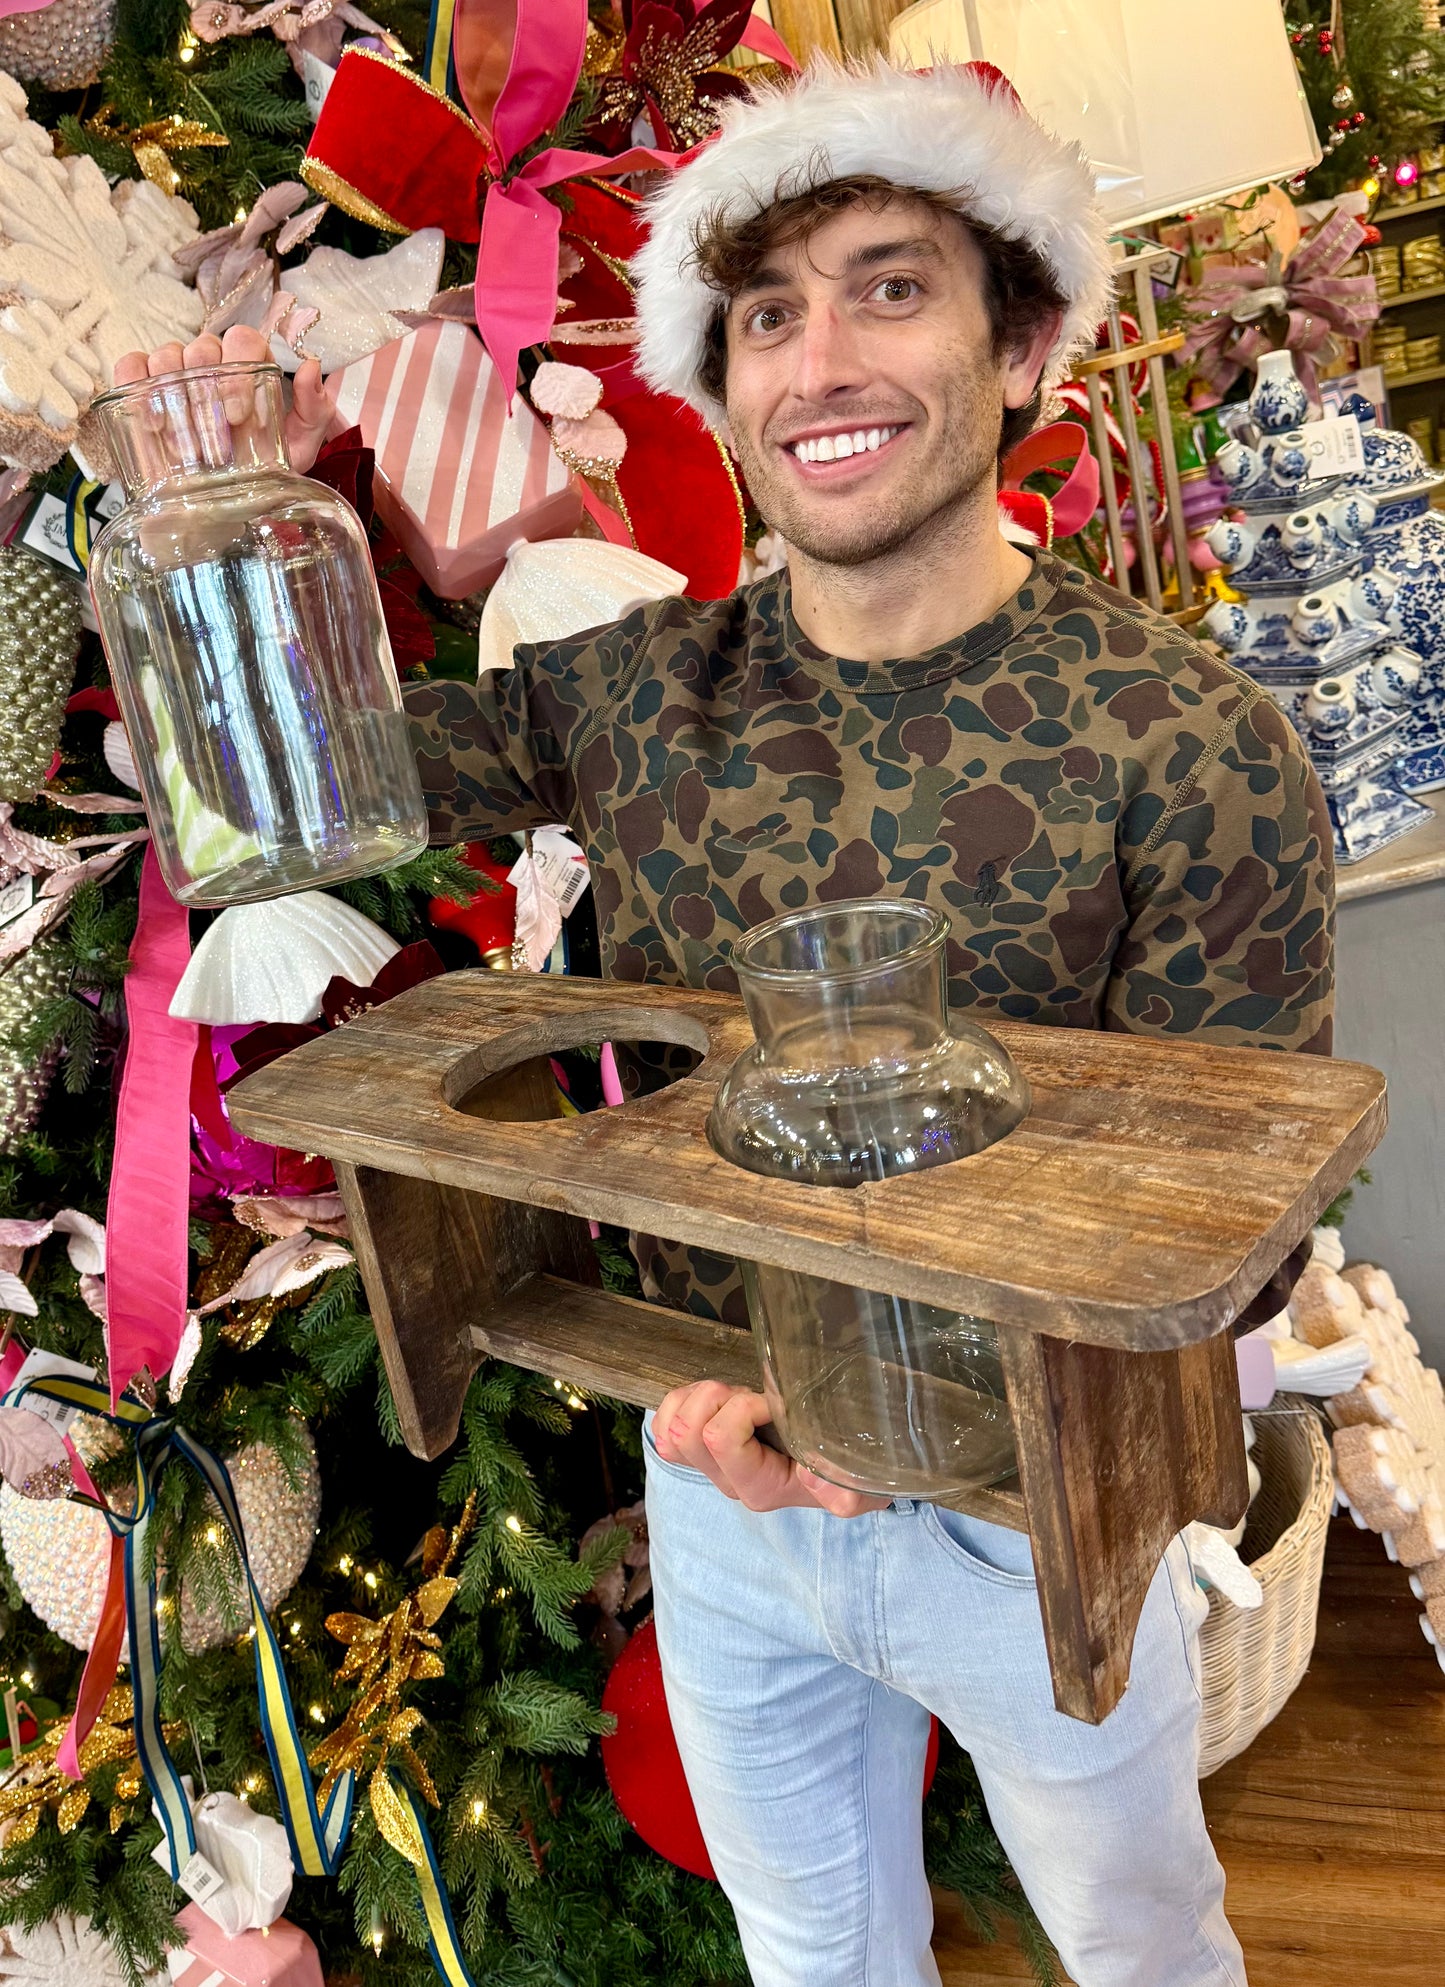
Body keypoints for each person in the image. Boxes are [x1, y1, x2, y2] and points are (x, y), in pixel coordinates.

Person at [120, 58, 1333, 1987]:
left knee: (1141, 1946)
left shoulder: (1186, 740)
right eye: (764, 315)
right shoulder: (624, 699)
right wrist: (203, 524)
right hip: (715, 1471)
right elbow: (286, 789)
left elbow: (1237, 1237)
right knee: (810, 1951)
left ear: (1018, 341)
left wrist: (912, 1422)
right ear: (720, 385)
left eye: (887, 288)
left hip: (1028, 1515)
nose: (817, 363)